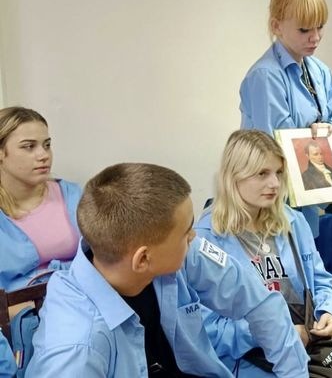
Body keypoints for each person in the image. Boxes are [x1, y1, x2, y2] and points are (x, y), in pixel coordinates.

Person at [25, 163, 309, 377]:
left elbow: (259, 302)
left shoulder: (173, 253)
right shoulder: (77, 348)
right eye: (187, 232)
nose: (195, 237)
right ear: (143, 259)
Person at [194, 130, 332, 377]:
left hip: (307, 343)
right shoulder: (205, 239)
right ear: (234, 176)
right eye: (262, 174)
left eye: (278, 172)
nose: (275, 183)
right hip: (249, 358)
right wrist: (275, 332)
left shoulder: (293, 222)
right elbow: (208, 332)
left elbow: (320, 281)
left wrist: (330, 311)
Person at [239, 0, 332, 236]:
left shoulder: (320, 71)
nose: (315, 37)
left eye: (320, 27)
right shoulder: (265, 77)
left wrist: (328, 129)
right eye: (304, 30)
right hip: (272, 201)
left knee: (307, 255)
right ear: (277, 26)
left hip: (309, 199)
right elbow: (280, 149)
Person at [0, 107, 81, 291]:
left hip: (78, 300)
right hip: (17, 307)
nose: (44, 155)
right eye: (29, 146)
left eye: (47, 145)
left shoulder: (73, 195)